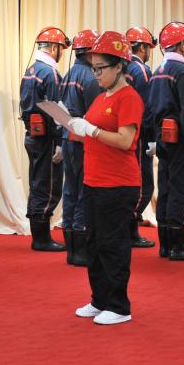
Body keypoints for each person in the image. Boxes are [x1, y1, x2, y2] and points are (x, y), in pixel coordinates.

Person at [65, 31, 144, 326]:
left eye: (100, 68)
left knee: (113, 245)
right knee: (94, 244)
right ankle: (100, 299)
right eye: (93, 68)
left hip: (118, 184)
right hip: (94, 181)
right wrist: (75, 126)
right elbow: (92, 133)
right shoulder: (100, 97)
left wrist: (93, 131)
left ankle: (119, 305)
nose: (95, 74)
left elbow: (125, 140)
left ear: (119, 66)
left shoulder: (129, 97)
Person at [149, 22, 184, 262]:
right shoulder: (182, 72)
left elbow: (150, 109)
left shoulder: (158, 71)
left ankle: (165, 245)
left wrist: (152, 139)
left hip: (163, 141)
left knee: (166, 189)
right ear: (181, 45)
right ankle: (177, 247)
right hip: (181, 141)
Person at [20, 26, 70, 252]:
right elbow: (57, 111)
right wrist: (60, 142)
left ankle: (39, 236)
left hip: (33, 135)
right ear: (53, 48)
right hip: (47, 138)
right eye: (61, 49)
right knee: (48, 186)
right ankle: (41, 239)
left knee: (37, 183)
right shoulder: (50, 74)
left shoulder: (30, 70)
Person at [59, 29, 101, 267]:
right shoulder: (90, 77)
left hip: (67, 137)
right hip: (83, 140)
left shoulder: (69, 74)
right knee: (83, 192)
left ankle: (71, 247)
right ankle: (80, 249)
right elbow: (95, 113)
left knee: (70, 190)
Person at [124, 26, 157, 249]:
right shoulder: (141, 71)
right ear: (143, 48)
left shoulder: (121, 68)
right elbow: (149, 108)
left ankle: (129, 230)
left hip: (124, 135)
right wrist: (152, 137)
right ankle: (130, 231)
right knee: (144, 186)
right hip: (140, 136)